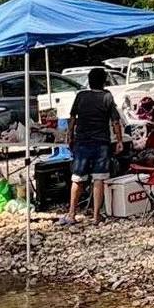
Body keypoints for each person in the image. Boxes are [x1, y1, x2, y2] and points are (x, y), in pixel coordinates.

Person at [62, 66, 123, 227]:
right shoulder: (107, 97)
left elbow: (72, 117)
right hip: (101, 143)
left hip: (82, 142)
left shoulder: (81, 96)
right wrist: (119, 140)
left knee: (77, 178)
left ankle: (71, 214)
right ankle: (96, 216)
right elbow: (115, 121)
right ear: (104, 82)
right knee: (99, 178)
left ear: (89, 81)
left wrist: (69, 135)